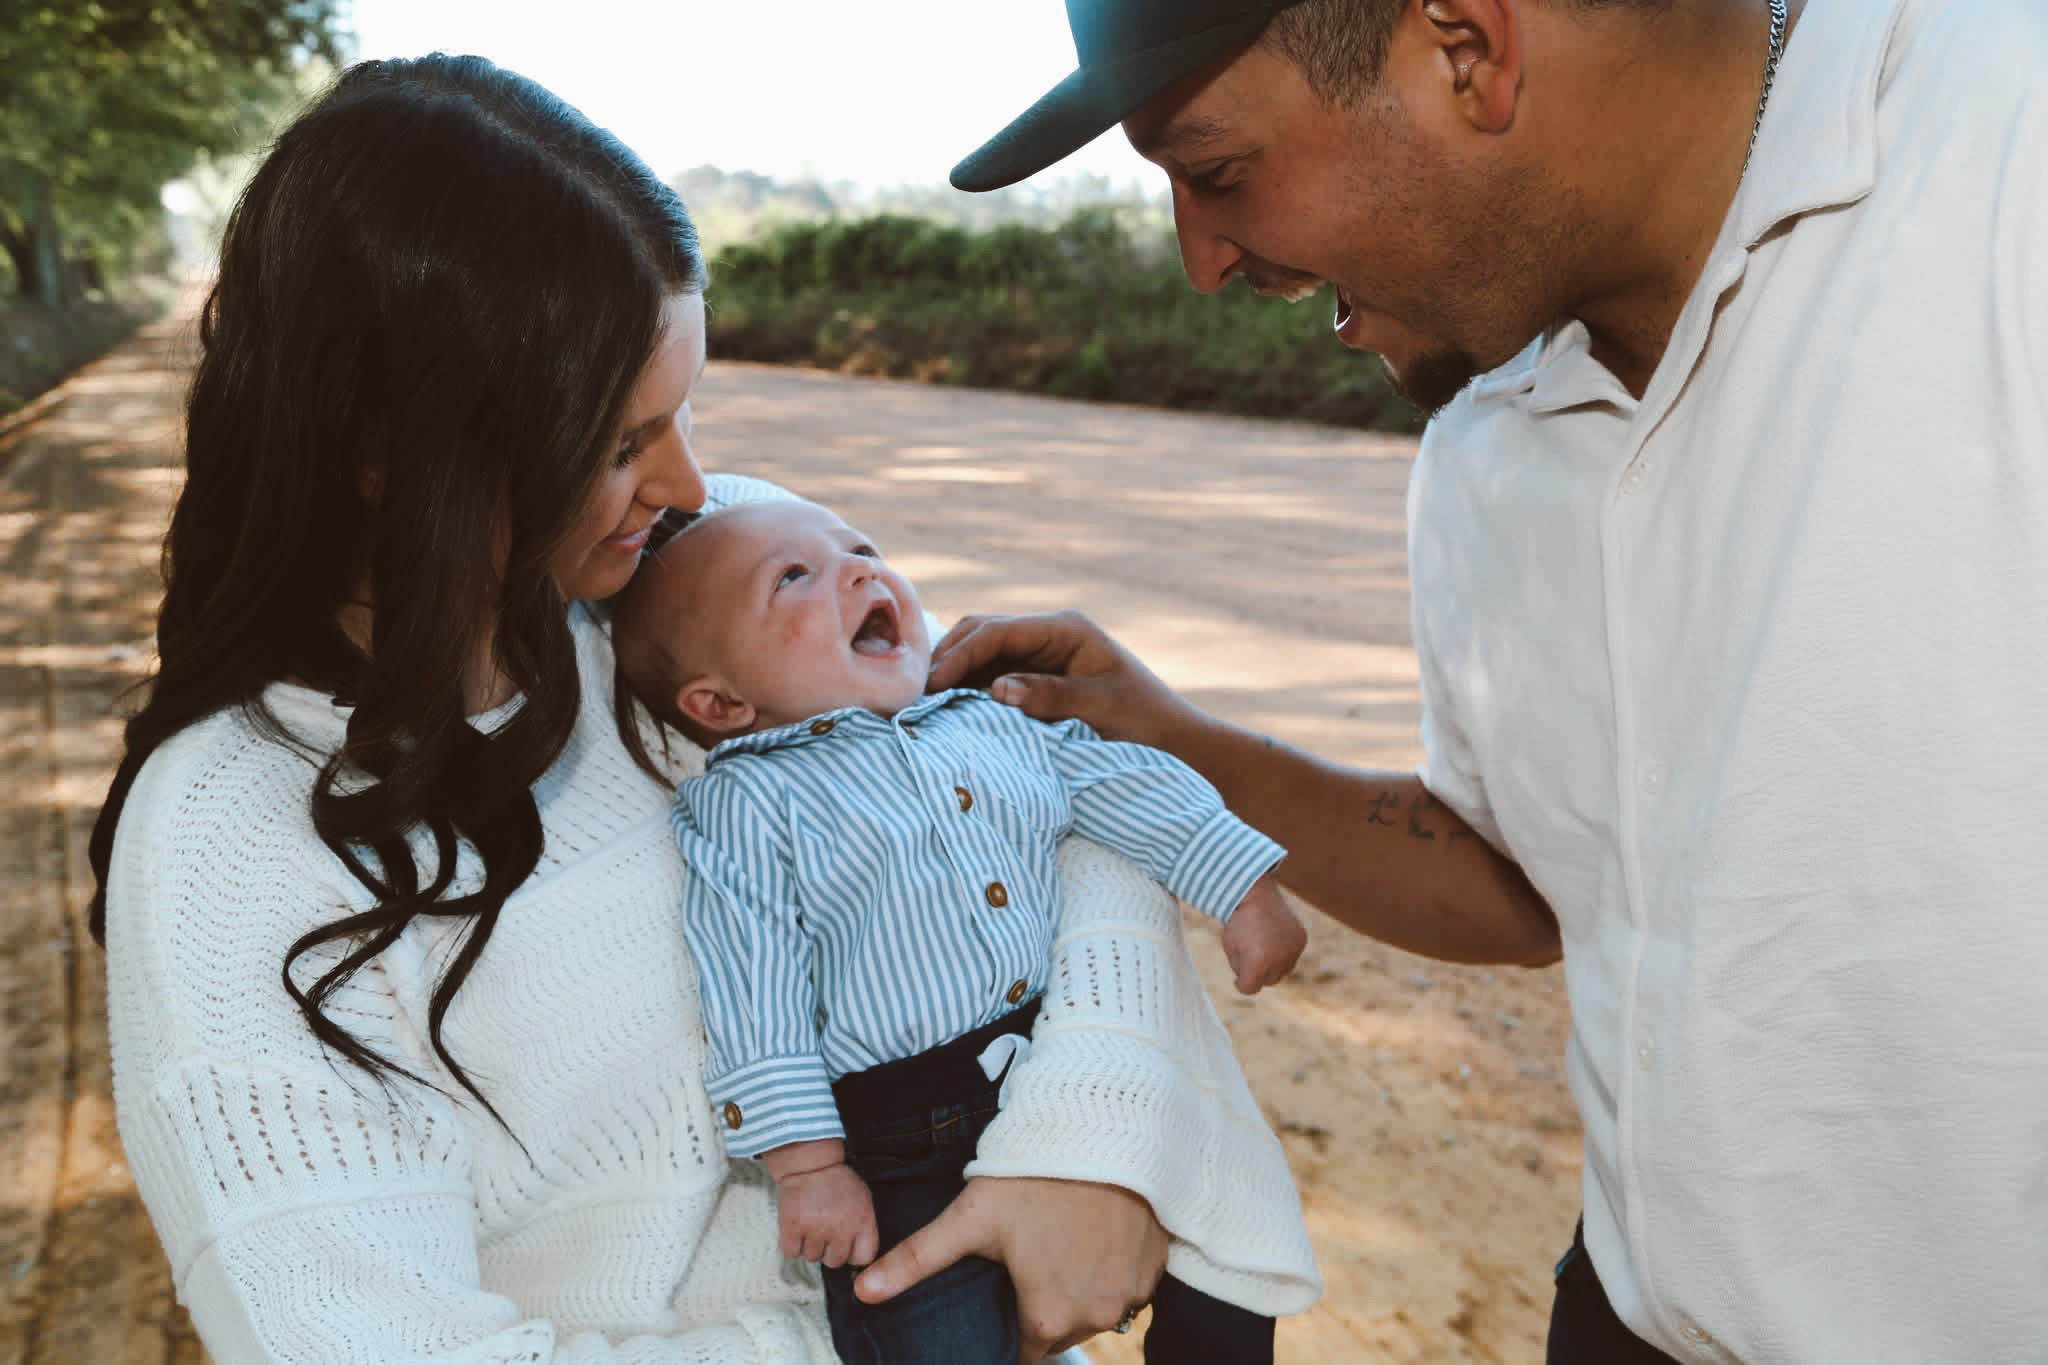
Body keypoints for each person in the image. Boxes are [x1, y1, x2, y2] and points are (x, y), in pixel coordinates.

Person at [87, 53, 1290, 1364]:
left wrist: (1087, 1134)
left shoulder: (669, 589)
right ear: (389, 452)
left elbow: (1023, 780)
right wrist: (892, 1336)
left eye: (683, 411)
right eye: (617, 444)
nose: (689, 483)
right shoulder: (230, 839)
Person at [925, 0, 2048, 1362]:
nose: (1200, 260)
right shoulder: (1482, 438)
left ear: (1468, 47)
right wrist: (1177, 746)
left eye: (1214, 171)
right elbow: (1534, 877)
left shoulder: (2005, 157)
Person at [608, 494, 1319, 1364]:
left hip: (1062, 1081)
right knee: (932, 1332)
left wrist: (1242, 883)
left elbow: (1124, 781)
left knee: (1228, 1262)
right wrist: (808, 1166)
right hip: (907, 1143)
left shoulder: (987, 721)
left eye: (862, 549)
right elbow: (754, 984)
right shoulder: (749, 801)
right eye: (794, 577)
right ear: (720, 703)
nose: (858, 571)